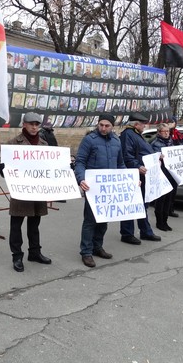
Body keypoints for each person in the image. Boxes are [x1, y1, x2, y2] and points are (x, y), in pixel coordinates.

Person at [74, 114, 125, 268]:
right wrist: (81, 179)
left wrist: (130, 179)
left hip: (109, 190)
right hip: (93, 188)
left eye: (107, 125)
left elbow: (121, 164)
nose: (103, 128)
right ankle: (86, 252)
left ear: (112, 126)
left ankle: (97, 247)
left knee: (103, 220)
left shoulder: (117, 141)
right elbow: (80, 161)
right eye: (101, 125)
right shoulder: (90, 140)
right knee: (90, 221)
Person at [6, 112, 52, 272]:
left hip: (38, 190)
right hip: (21, 191)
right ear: (24, 124)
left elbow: (49, 167)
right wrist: (3, 169)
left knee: (35, 224)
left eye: (37, 124)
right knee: (16, 225)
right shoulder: (13, 144)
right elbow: (7, 168)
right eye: (31, 124)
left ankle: (35, 252)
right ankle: (17, 256)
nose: (34, 127)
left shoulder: (44, 145)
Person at [119, 112, 162, 244]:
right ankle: (127, 234)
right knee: (132, 204)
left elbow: (143, 151)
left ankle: (145, 231)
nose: (145, 126)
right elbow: (127, 155)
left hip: (142, 175)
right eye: (143, 124)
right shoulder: (128, 135)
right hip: (134, 174)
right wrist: (137, 166)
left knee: (143, 204)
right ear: (136, 124)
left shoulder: (136, 135)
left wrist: (156, 156)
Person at [151, 123, 175, 231]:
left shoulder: (170, 142)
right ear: (159, 132)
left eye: (167, 131)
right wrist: (158, 157)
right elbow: (151, 158)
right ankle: (159, 222)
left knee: (168, 200)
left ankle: (165, 221)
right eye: (164, 131)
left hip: (170, 174)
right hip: (161, 175)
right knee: (161, 200)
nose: (166, 133)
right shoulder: (155, 144)